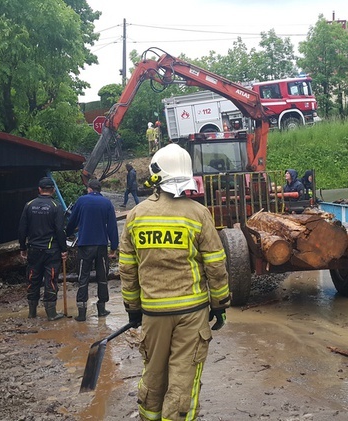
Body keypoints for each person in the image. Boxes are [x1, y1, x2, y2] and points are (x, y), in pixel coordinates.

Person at [119, 143, 230, 421]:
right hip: (191, 314)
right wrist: (219, 305)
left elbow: (127, 268)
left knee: (154, 377)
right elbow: (215, 264)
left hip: (153, 313)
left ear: (156, 176)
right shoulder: (198, 213)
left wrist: (133, 308)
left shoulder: (136, 215)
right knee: (183, 380)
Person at [65, 179, 119, 321]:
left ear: (89, 189)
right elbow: (112, 227)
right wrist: (113, 248)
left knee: (83, 277)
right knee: (102, 277)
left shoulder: (82, 201)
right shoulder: (107, 203)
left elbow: (72, 221)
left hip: (85, 246)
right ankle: (102, 309)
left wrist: (66, 234)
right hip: (101, 246)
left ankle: (82, 313)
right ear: (99, 190)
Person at [18, 176, 67, 321]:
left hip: (33, 249)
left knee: (33, 279)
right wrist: (64, 249)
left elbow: (22, 229)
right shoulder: (56, 206)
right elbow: (60, 230)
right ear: (52, 190)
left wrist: (22, 247)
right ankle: (51, 314)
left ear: (39, 189)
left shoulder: (29, 205)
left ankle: (32, 312)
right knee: (51, 279)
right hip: (52, 251)